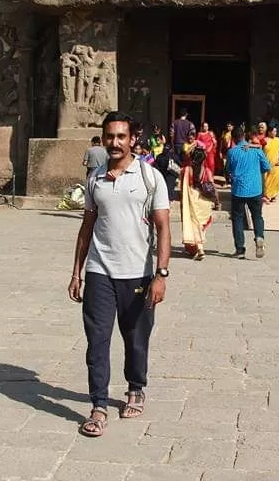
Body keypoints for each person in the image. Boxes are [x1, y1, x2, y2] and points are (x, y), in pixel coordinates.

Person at [68, 112, 172, 438]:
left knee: (135, 337)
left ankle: (135, 386)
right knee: (97, 340)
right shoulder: (95, 179)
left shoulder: (149, 177)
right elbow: (87, 227)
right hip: (100, 270)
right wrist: (77, 272)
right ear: (104, 137)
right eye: (110, 136)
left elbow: (164, 227)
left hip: (138, 273)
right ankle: (98, 405)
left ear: (132, 140)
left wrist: (161, 274)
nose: (115, 142)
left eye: (121, 137)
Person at [226, 127, 271, 260]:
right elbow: (267, 167)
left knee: (238, 219)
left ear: (233, 139)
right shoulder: (256, 150)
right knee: (257, 216)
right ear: (244, 136)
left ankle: (240, 249)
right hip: (255, 189)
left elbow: (228, 169)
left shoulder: (232, 152)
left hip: (239, 190)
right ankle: (259, 237)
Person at [180, 145, 216, 260]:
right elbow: (212, 185)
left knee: (194, 224)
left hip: (191, 199)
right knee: (200, 225)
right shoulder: (207, 171)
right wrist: (216, 200)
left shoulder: (186, 170)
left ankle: (199, 248)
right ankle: (198, 247)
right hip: (203, 201)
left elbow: (182, 186)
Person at [262, 125, 279, 202]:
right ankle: (267, 195)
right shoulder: (264, 140)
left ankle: (272, 196)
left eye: (276, 131)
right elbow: (259, 148)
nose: (275, 133)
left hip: (275, 163)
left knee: (276, 179)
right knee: (266, 180)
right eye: (274, 131)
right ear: (269, 132)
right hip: (266, 162)